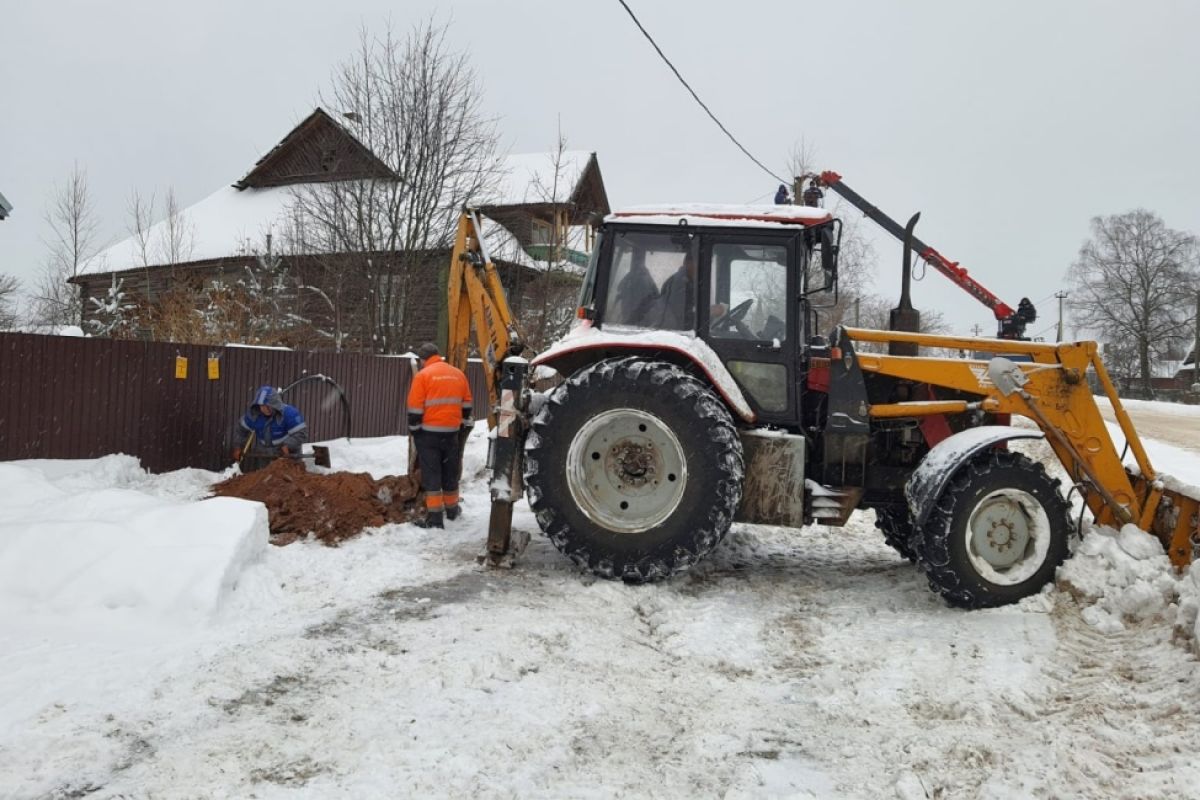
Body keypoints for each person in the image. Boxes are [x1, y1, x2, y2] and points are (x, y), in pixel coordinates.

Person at [407, 342, 473, 528]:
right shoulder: (458, 374)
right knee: (449, 473)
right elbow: (467, 404)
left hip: (428, 435)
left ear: (423, 359)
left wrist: (414, 429)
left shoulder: (423, 376)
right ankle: (452, 510)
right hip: (451, 434)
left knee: (432, 474)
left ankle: (435, 519)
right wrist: (459, 421)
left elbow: (415, 407)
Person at [232, 385, 309, 467]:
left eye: (268, 406)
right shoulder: (254, 415)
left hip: (289, 455)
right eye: (262, 406)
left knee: (291, 478)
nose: (265, 409)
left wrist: (287, 445)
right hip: (265, 456)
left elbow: (301, 433)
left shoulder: (290, 414)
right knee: (265, 478)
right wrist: (238, 446)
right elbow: (241, 431)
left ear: (275, 404)